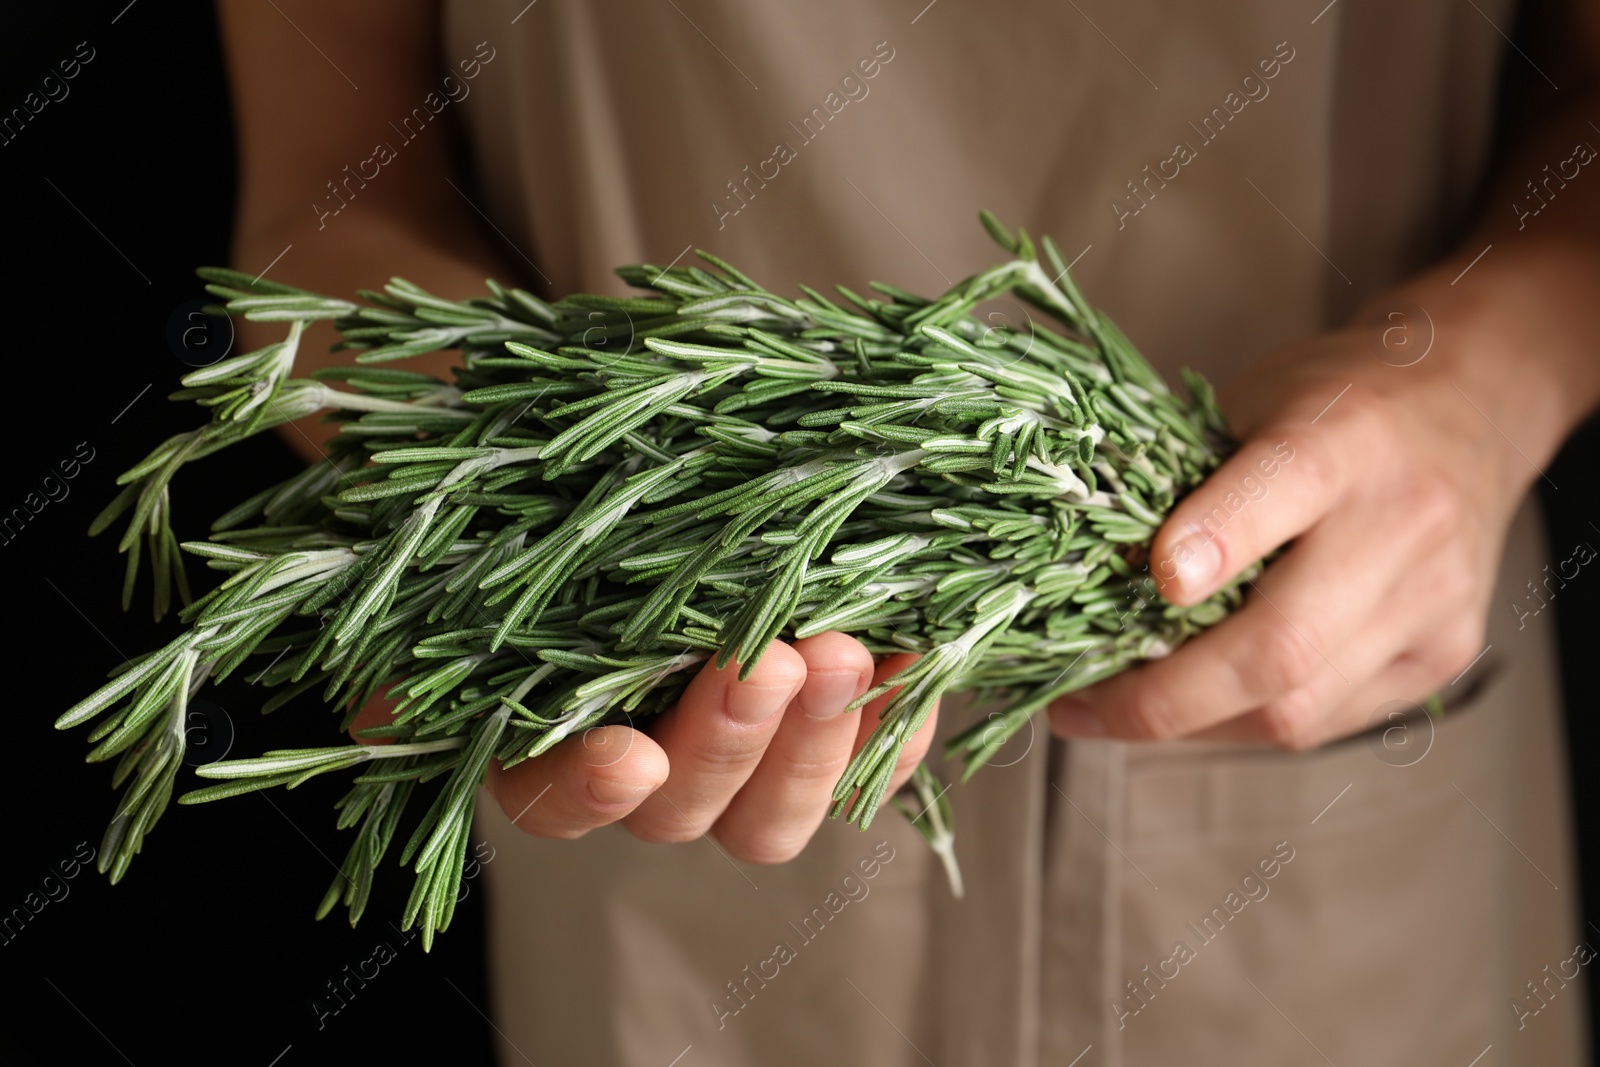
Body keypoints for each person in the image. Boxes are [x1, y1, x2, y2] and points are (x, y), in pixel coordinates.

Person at [218, 1, 1599, 1062]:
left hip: (1339, 831)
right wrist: (514, 467)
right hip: (688, 832)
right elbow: (318, 207)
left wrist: (1479, 383)